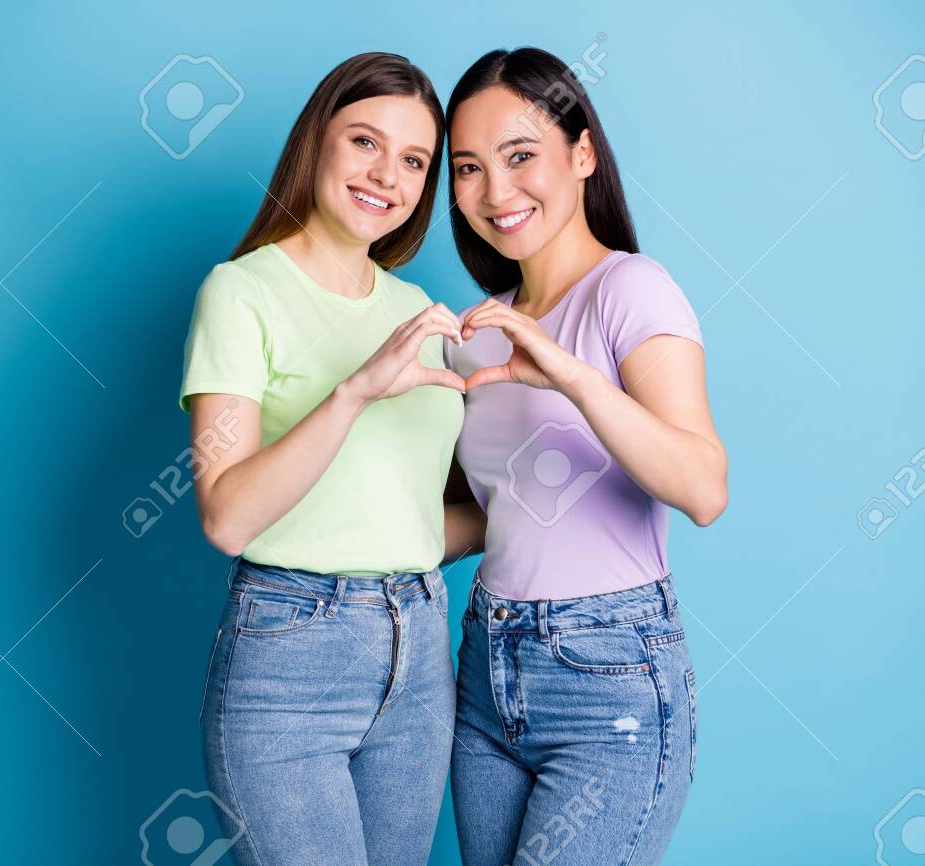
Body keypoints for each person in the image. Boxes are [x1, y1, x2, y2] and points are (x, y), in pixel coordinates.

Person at [442, 47, 729, 866]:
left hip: (608, 678)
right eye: (468, 168)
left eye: (520, 155)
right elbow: (487, 521)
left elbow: (703, 488)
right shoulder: (477, 332)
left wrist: (570, 377)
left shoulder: (630, 289)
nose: (495, 191)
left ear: (582, 154)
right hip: (486, 670)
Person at [180, 52, 467, 866]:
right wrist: (356, 391)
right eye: (365, 142)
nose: (387, 176)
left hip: (419, 651)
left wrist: (549, 502)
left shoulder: (420, 312)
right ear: (317, 141)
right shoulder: (240, 292)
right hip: (290, 656)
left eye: (414, 160)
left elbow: (403, 522)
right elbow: (227, 517)